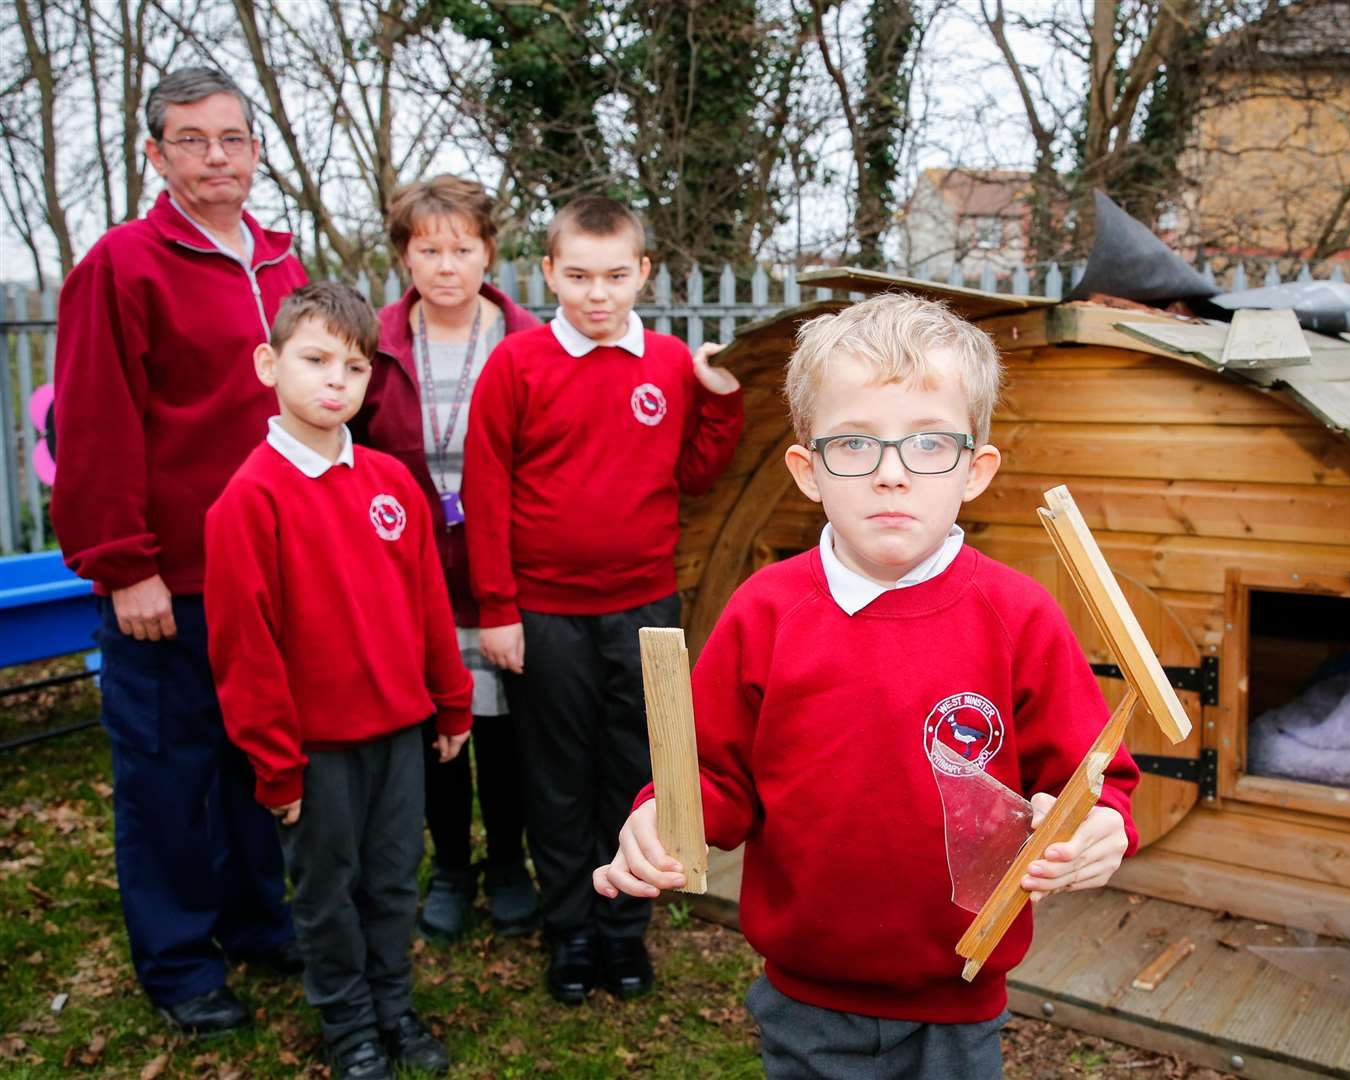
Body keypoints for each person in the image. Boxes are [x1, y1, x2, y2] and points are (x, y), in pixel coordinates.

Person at [594, 293, 1140, 1079]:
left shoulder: (1019, 616)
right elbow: (713, 776)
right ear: (808, 470)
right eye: (854, 444)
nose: (891, 475)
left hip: (959, 998)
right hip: (807, 1001)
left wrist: (1098, 828)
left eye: (929, 445)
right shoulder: (765, 611)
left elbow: (1094, 778)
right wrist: (660, 820)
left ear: (975, 470)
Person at [50, 67, 304, 1035]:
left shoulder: (281, 268)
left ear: (252, 149)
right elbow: (96, 421)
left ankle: (256, 920)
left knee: (254, 759)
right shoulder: (122, 265)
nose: (215, 157)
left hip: (266, 571)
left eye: (231, 138)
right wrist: (124, 563)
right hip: (170, 578)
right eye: (190, 140)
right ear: (155, 154)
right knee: (168, 772)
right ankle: (177, 959)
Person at [463, 196, 745, 1004]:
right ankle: (571, 932)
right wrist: (498, 608)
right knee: (555, 777)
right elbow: (486, 489)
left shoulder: (665, 364)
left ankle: (625, 929)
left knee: (636, 769)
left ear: (643, 274)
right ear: (548, 272)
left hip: (646, 606)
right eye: (579, 276)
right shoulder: (516, 365)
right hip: (544, 614)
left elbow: (694, 475)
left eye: (616, 276)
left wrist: (719, 400)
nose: (597, 294)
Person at [205, 282, 473, 1080]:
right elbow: (243, 651)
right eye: (315, 360)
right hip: (314, 749)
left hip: (397, 732)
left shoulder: (392, 484)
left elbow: (429, 602)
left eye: (353, 369)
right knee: (327, 893)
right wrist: (275, 762)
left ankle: (394, 1008)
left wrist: (451, 698)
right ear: (269, 364)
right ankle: (349, 1027)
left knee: (393, 882)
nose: (335, 383)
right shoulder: (247, 502)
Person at [357, 176, 541, 941]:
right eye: (428, 249)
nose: (446, 265)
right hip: (409, 573)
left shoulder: (528, 340)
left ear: (488, 253)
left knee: (503, 734)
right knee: (437, 727)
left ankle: (506, 864)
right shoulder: (373, 345)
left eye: (462, 248)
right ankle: (452, 870)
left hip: (502, 569)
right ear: (404, 255)